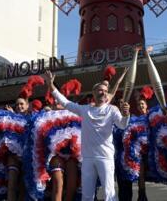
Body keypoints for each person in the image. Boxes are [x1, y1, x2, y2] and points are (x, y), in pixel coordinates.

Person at [44, 70, 130, 201]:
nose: (103, 92)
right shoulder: (85, 109)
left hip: (105, 157)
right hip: (88, 159)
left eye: (105, 91)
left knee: (109, 194)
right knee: (87, 195)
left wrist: (125, 115)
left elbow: (122, 125)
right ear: (94, 93)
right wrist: (51, 85)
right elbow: (66, 103)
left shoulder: (112, 110)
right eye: (100, 90)